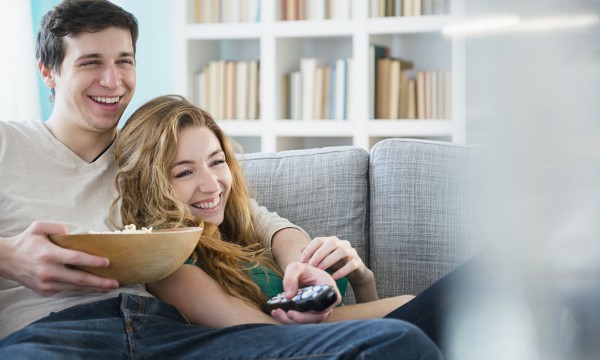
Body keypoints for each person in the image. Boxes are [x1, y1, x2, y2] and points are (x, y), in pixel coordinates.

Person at [0, 1, 443, 358]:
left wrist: (297, 265)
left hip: (166, 331)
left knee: (398, 341)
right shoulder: (7, 144)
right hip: (53, 335)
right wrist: (8, 257)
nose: (112, 80)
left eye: (125, 61)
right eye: (91, 62)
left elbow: (259, 220)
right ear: (48, 71)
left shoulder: (150, 152)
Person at [111, 94, 466, 342]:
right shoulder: (168, 257)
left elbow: (283, 236)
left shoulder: (230, 226)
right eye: (184, 173)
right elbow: (267, 337)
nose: (211, 184)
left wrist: (362, 279)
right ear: (152, 182)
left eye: (217, 162)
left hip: (380, 337)